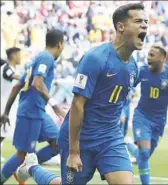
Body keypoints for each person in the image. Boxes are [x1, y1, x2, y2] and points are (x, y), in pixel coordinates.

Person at [16, 3, 148, 185]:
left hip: (110, 137)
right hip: (81, 140)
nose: (144, 26)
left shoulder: (133, 67)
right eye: (138, 21)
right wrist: (73, 152)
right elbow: (77, 105)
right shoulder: (95, 58)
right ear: (120, 26)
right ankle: (32, 167)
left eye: (146, 22)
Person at [0, 29, 66, 184]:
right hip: (31, 112)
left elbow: (17, 86)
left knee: (59, 143)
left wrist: (6, 112)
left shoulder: (36, 59)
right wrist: (54, 105)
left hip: (38, 112)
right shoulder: (46, 58)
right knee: (22, 154)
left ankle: (25, 169)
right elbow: (37, 83)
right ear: (60, 44)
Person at [126, 45, 168, 185]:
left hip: (159, 122)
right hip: (142, 116)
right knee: (144, 154)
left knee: (143, 156)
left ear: (162, 58)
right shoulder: (142, 71)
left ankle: (127, 144)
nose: (148, 58)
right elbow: (127, 88)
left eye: (152, 55)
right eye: (148, 55)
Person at [0, 47, 21, 162]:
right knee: (2, 131)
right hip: (2, 104)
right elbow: (11, 76)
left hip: (6, 105)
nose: (20, 57)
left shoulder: (12, 69)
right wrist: (27, 77)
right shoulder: (7, 69)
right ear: (12, 55)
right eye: (18, 55)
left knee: (3, 131)